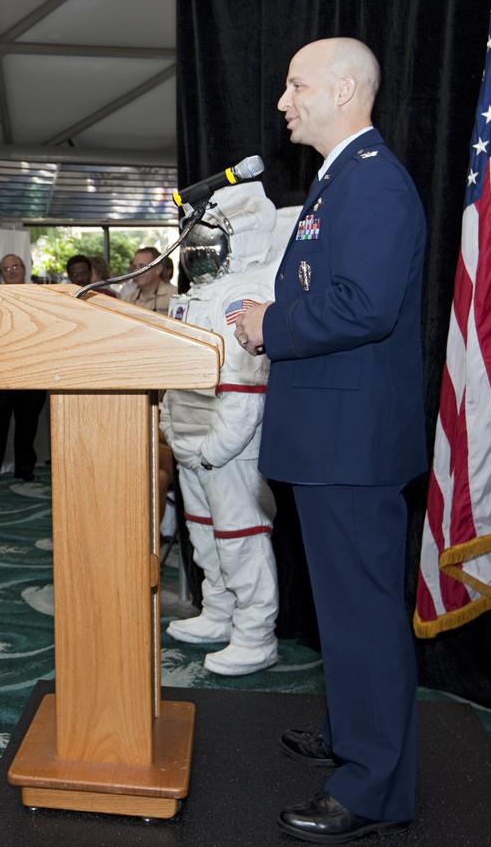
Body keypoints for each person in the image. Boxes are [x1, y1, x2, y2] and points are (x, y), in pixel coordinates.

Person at [235, 37, 425, 843]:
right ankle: (357, 739)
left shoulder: (374, 183)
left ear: (345, 89)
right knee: (347, 614)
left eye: (296, 85)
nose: (284, 101)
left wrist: (268, 324)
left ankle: (374, 788)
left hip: (352, 445)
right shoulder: (339, 180)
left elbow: (361, 307)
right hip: (329, 439)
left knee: (366, 619)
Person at [161, 184, 281, 677]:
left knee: (240, 538)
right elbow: (173, 371)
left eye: (207, 244)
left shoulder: (243, 296)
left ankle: (256, 633)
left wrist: (216, 448)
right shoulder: (189, 300)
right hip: (192, 443)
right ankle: (219, 612)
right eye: (192, 245)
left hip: (227, 448)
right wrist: (171, 428)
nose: (197, 254)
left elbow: (245, 381)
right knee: (205, 536)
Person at [0, 253, 45, 485]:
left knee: (28, 425)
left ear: (24, 268)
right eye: (6, 269)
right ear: (1, 274)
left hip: (32, 371)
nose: (12, 271)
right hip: (1, 372)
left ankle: (25, 469)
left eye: (15, 266)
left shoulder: (39, 296)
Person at [120, 246, 177, 314]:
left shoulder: (175, 296)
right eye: (134, 267)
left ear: (158, 269)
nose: (137, 271)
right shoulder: (127, 301)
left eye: (142, 266)